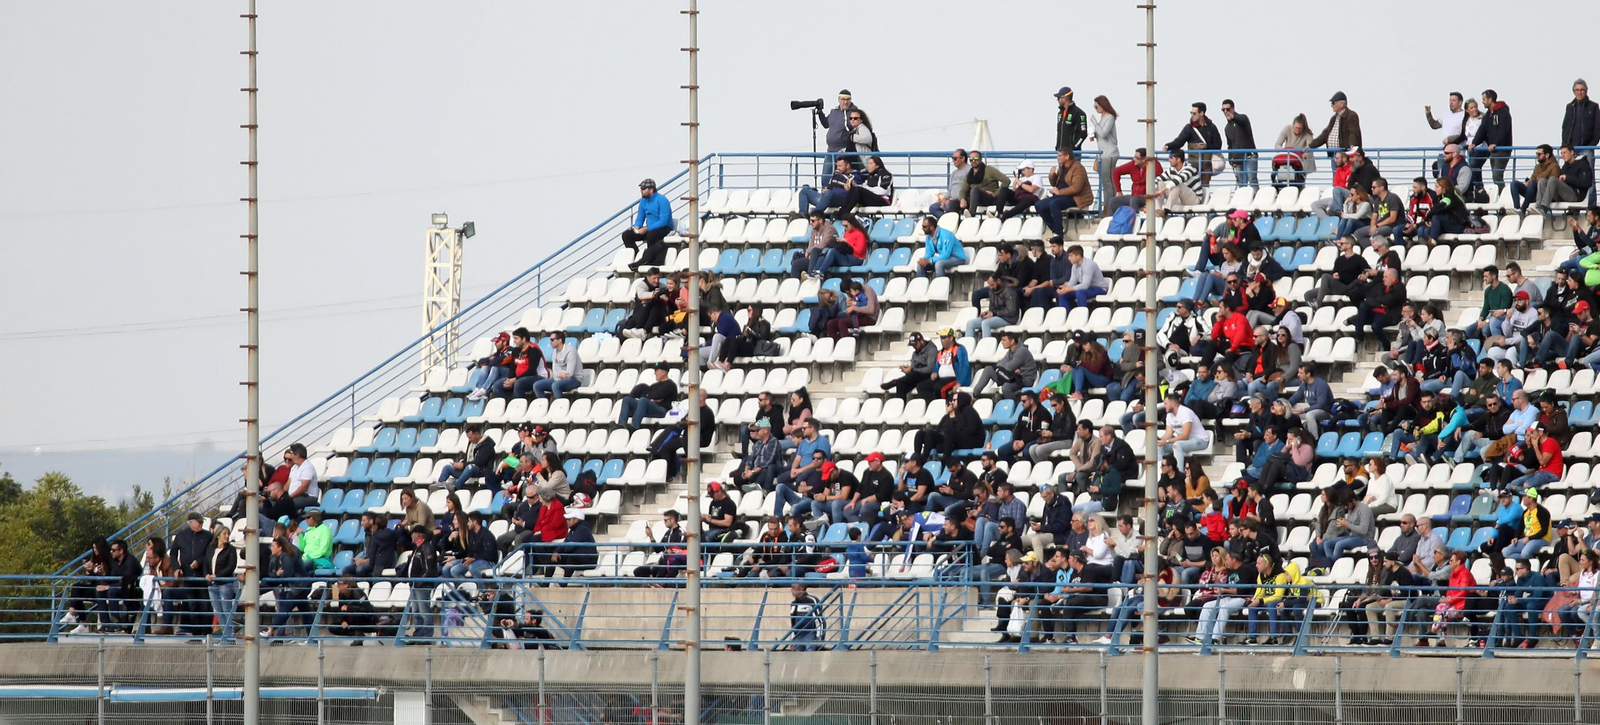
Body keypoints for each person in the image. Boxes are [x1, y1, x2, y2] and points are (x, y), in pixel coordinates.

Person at [1036, 150, 1093, 240]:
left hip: (1076, 197)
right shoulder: (1062, 168)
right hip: (1061, 195)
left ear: (1067, 157)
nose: (1057, 158)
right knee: (1039, 205)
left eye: (1060, 156)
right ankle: (1055, 230)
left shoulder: (1078, 168)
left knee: (1054, 204)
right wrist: (1052, 175)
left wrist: (1059, 192)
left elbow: (1076, 188)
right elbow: (1055, 184)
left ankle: (1059, 235)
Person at [1164, 101, 1223, 185]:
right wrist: (1168, 146)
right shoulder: (1189, 128)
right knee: (1193, 186)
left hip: (1207, 165)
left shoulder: (1211, 127)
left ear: (1201, 113)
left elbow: (1218, 145)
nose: (1192, 115)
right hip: (1193, 165)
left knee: (1205, 187)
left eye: (1194, 113)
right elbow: (1179, 141)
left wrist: (1207, 146)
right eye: (1191, 113)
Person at [622, 178, 674, 270]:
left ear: (651, 189)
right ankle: (637, 257)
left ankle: (651, 260)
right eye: (641, 188)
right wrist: (637, 227)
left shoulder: (662, 200)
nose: (641, 190)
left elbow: (663, 221)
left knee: (651, 235)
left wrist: (647, 228)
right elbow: (640, 218)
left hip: (664, 227)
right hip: (650, 228)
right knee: (627, 235)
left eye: (643, 188)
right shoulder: (643, 201)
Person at [1467, 89, 1513, 188]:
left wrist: (1496, 143)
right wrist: (1474, 143)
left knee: (1497, 174)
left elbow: (1504, 130)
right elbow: (1482, 130)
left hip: (1502, 149)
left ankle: (1502, 194)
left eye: (1484, 99)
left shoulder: (1503, 112)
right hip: (1493, 150)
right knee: (1495, 175)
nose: (1482, 102)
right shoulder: (1489, 114)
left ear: (1490, 99)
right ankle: (1498, 193)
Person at [202, 526, 239, 642]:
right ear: (218, 535)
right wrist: (207, 574)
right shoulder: (211, 548)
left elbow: (231, 566)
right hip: (212, 585)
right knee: (218, 610)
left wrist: (217, 575)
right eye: (224, 534)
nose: (227, 536)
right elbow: (206, 563)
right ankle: (225, 633)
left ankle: (229, 634)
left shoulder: (231, 549)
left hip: (225, 583)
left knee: (226, 609)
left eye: (228, 534)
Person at [972, 332, 1037, 397]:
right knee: (989, 369)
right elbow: (1000, 364)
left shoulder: (1021, 351)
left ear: (1012, 341)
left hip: (1025, 379)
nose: (1002, 342)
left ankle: (1015, 402)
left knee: (1006, 387)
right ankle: (975, 394)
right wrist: (1011, 369)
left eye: (1004, 340)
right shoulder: (1011, 351)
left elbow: (1008, 368)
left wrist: (1007, 368)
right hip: (1014, 377)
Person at [434, 424, 496, 490]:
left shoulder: (487, 445)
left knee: (470, 467)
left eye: (470, 437)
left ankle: (455, 486)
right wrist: (459, 464)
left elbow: (479, 462)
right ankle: (439, 484)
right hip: (467, 469)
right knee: (447, 467)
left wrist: (463, 465)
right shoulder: (471, 443)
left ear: (477, 434)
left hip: (481, 470)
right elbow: (467, 459)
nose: (469, 440)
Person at [917, 328, 972, 402]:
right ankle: (932, 403)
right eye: (941, 337)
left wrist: (960, 382)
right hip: (941, 379)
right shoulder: (940, 352)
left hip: (954, 378)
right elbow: (937, 366)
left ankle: (944, 405)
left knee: (939, 388)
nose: (941, 340)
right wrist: (935, 372)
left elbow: (964, 366)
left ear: (951, 338)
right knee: (921, 386)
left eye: (943, 337)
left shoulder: (959, 349)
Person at [1535, 145, 1594, 212]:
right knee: (1542, 180)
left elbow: (1586, 183)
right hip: (1563, 194)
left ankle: (1543, 207)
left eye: (1564, 152)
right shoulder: (1565, 166)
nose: (1562, 155)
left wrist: (1567, 178)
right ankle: (1538, 207)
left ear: (1571, 152)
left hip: (1576, 194)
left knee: (1553, 179)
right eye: (1561, 153)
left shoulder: (1583, 164)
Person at [617, 364, 677, 430]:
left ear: (663, 372)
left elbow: (657, 395)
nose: (655, 373)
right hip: (649, 408)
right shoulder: (654, 385)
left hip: (662, 410)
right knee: (627, 399)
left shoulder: (670, 385)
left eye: (656, 371)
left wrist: (652, 398)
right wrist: (652, 399)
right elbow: (648, 395)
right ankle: (621, 425)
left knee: (643, 400)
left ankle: (634, 426)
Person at [834, 154, 893, 219]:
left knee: (858, 190)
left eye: (871, 164)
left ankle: (844, 213)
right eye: (868, 163)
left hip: (883, 200)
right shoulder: (870, 176)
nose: (868, 166)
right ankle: (842, 211)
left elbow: (883, 191)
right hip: (872, 199)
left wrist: (867, 189)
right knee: (854, 189)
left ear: (877, 165)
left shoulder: (886, 174)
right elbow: (863, 186)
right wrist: (851, 186)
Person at [344, 512, 400, 578]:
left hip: (377, 562)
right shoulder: (367, 534)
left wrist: (366, 561)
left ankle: (368, 583)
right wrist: (360, 559)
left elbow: (380, 554)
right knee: (346, 570)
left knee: (360, 569)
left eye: (364, 520)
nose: (361, 523)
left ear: (371, 521)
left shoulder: (383, 535)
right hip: (367, 560)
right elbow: (367, 551)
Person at [965, 274, 1019, 339]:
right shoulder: (992, 291)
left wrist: (994, 313)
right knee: (970, 324)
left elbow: (1011, 311)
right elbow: (992, 308)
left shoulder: (1009, 291)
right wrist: (987, 312)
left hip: (1008, 319)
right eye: (989, 285)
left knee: (986, 323)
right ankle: (967, 344)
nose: (991, 287)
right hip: (996, 316)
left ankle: (986, 344)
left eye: (992, 285)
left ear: (998, 281)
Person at [884, 332, 935, 400]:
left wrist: (912, 370)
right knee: (901, 384)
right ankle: (900, 404)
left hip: (927, 376)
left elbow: (930, 368)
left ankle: (895, 381)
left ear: (922, 341)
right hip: (916, 376)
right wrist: (908, 369)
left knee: (914, 374)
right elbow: (913, 367)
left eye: (915, 344)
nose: (914, 347)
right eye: (913, 345)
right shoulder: (915, 353)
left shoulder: (931, 350)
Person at [957, 150, 1009, 216]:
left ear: (981, 159)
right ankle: (955, 220)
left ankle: (971, 214)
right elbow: (963, 191)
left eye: (976, 158)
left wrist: (995, 194)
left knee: (974, 190)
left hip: (988, 198)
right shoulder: (969, 174)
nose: (973, 161)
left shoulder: (989, 170)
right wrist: (962, 199)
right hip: (974, 199)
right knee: (953, 203)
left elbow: (1006, 180)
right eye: (971, 159)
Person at [532, 332, 583, 400]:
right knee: (537, 385)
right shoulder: (554, 352)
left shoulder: (571, 351)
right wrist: (559, 374)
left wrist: (558, 374)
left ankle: (560, 405)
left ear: (560, 340)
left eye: (552, 340)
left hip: (575, 379)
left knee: (555, 385)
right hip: (559, 378)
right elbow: (554, 371)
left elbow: (569, 374)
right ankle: (544, 405)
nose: (550, 342)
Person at [1511, 144, 1562, 212]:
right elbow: (1533, 178)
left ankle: (1523, 209)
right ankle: (1517, 208)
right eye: (1536, 154)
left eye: (1539, 154)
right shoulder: (1537, 167)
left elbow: (1552, 183)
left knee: (1533, 184)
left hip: (1544, 196)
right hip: (1533, 193)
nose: (1537, 156)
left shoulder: (1555, 166)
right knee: (1514, 184)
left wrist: (1535, 180)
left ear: (1547, 155)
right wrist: (1528, 182)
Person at [465, 331, 513, 401]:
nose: (495, 344)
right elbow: (480, 362)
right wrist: (491, 360)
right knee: (485, 367)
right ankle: (478, 389)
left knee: (495, 368)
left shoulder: (511, 351)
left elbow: (497, 362)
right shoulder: (498, 353)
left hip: (509, 375)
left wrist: (492, 360)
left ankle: (484, 391)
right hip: (499, 375)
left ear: (504, 342)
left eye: (497, 342)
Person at [1089, 95, 1120, 204]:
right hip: (1103, 154)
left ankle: (1109, 204)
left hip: (1109, 154)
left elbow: (1103, 133)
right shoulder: (1103, 117)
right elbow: (1100, 134)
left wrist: (1094, 122)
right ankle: (1108, 204)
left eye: (1097, 106)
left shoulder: (1109, 117)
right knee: (1105, 181)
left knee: (1109, 181)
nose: (1096, 109)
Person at [1271, 113, 1315, 188]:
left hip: (1300, 159)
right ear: (1293, 125)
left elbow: (1310, 147)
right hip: (1288, 157)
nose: (1297, 130)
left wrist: (1304, 155)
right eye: (1296, 128)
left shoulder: (1307, 133)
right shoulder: (1287, 129)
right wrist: (1284, 151)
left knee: (1299, 179)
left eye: (1300, 128)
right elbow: (1277, 144)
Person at [1056, 244, 1106, 310]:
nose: (1068, 258)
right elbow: (1073, 281)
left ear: (1078, 256)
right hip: (1085, 288)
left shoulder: (1089, 265)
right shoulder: (1074, 265)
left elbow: (1085, 285)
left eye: (1071, 256)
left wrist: (1068, 289)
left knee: (1080, 292)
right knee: (1063, 294)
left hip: (1098, 288)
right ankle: (1065, 314)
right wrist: (1064, 288)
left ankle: (1082, 313)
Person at [1221, 99, 1257, 188]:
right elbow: (1230, 145)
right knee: (1241, 183)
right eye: (1223, 110)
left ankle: (1256, 196)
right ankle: (1243, 197)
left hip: (1249, 155)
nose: (1225, 112)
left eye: (1228, 109)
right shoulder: (1227, 128)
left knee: (1252, 180)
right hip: (1237, 160)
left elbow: (1241, 120)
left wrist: (1233, 117)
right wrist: (1231, 160)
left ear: (1233, 109)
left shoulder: (1243, 118)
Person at [1563, 79, 1600, 155]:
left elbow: (1598, 128)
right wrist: (1565, 144)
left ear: (1586, 91)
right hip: (1571, 149)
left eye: (1582, 90)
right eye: (1577, 90)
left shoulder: (1593, 107)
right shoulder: (1570, 107)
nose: (1579, 93)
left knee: (1586, 164)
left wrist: (1591, 145)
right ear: (1574, 91)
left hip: (1587, 149)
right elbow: (1565, 127)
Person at [930, 149, 969, 216]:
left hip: (961, 200)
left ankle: (950, 220)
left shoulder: (969, 171)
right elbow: (950, 189)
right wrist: (944, 199)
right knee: (933, 208)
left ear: (963, 158)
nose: (953, 161)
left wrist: (951, 200)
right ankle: (944, 220)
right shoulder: (954, 173)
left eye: (955, 158)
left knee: (948, 207)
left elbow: (967, 189)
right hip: (951, 200)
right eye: (952, 158)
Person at [282, 443, 320, 512]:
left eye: (292, 454)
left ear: (297, 455)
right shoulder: (294, 467)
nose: (291, 456)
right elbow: (288, 484)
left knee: (285, 504)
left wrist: (289, 498)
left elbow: (304, 487)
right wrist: (281, 495)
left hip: (308, 497)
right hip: (295, 496)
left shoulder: (307, 467)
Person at [788, 583, 823, 651]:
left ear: (801, 589)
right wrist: (792, 642)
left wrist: (819, 638)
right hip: (798, 635)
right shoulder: (793, 604)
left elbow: (819, 620)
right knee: (797, 655)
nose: (791, 590)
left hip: (811, 634)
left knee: (810, 653)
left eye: (794, 588)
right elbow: (793, 624)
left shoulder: (812, 600)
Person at [1054, 86, 1089, 155]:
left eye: (1059, 98)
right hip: (1061, 153)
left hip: (1073, 154)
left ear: (1065, 98)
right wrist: (1057, 147)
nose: (1057, 100)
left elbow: (1083, 134)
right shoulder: (1060, 113)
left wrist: (1073, 148)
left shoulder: (1079, 113)